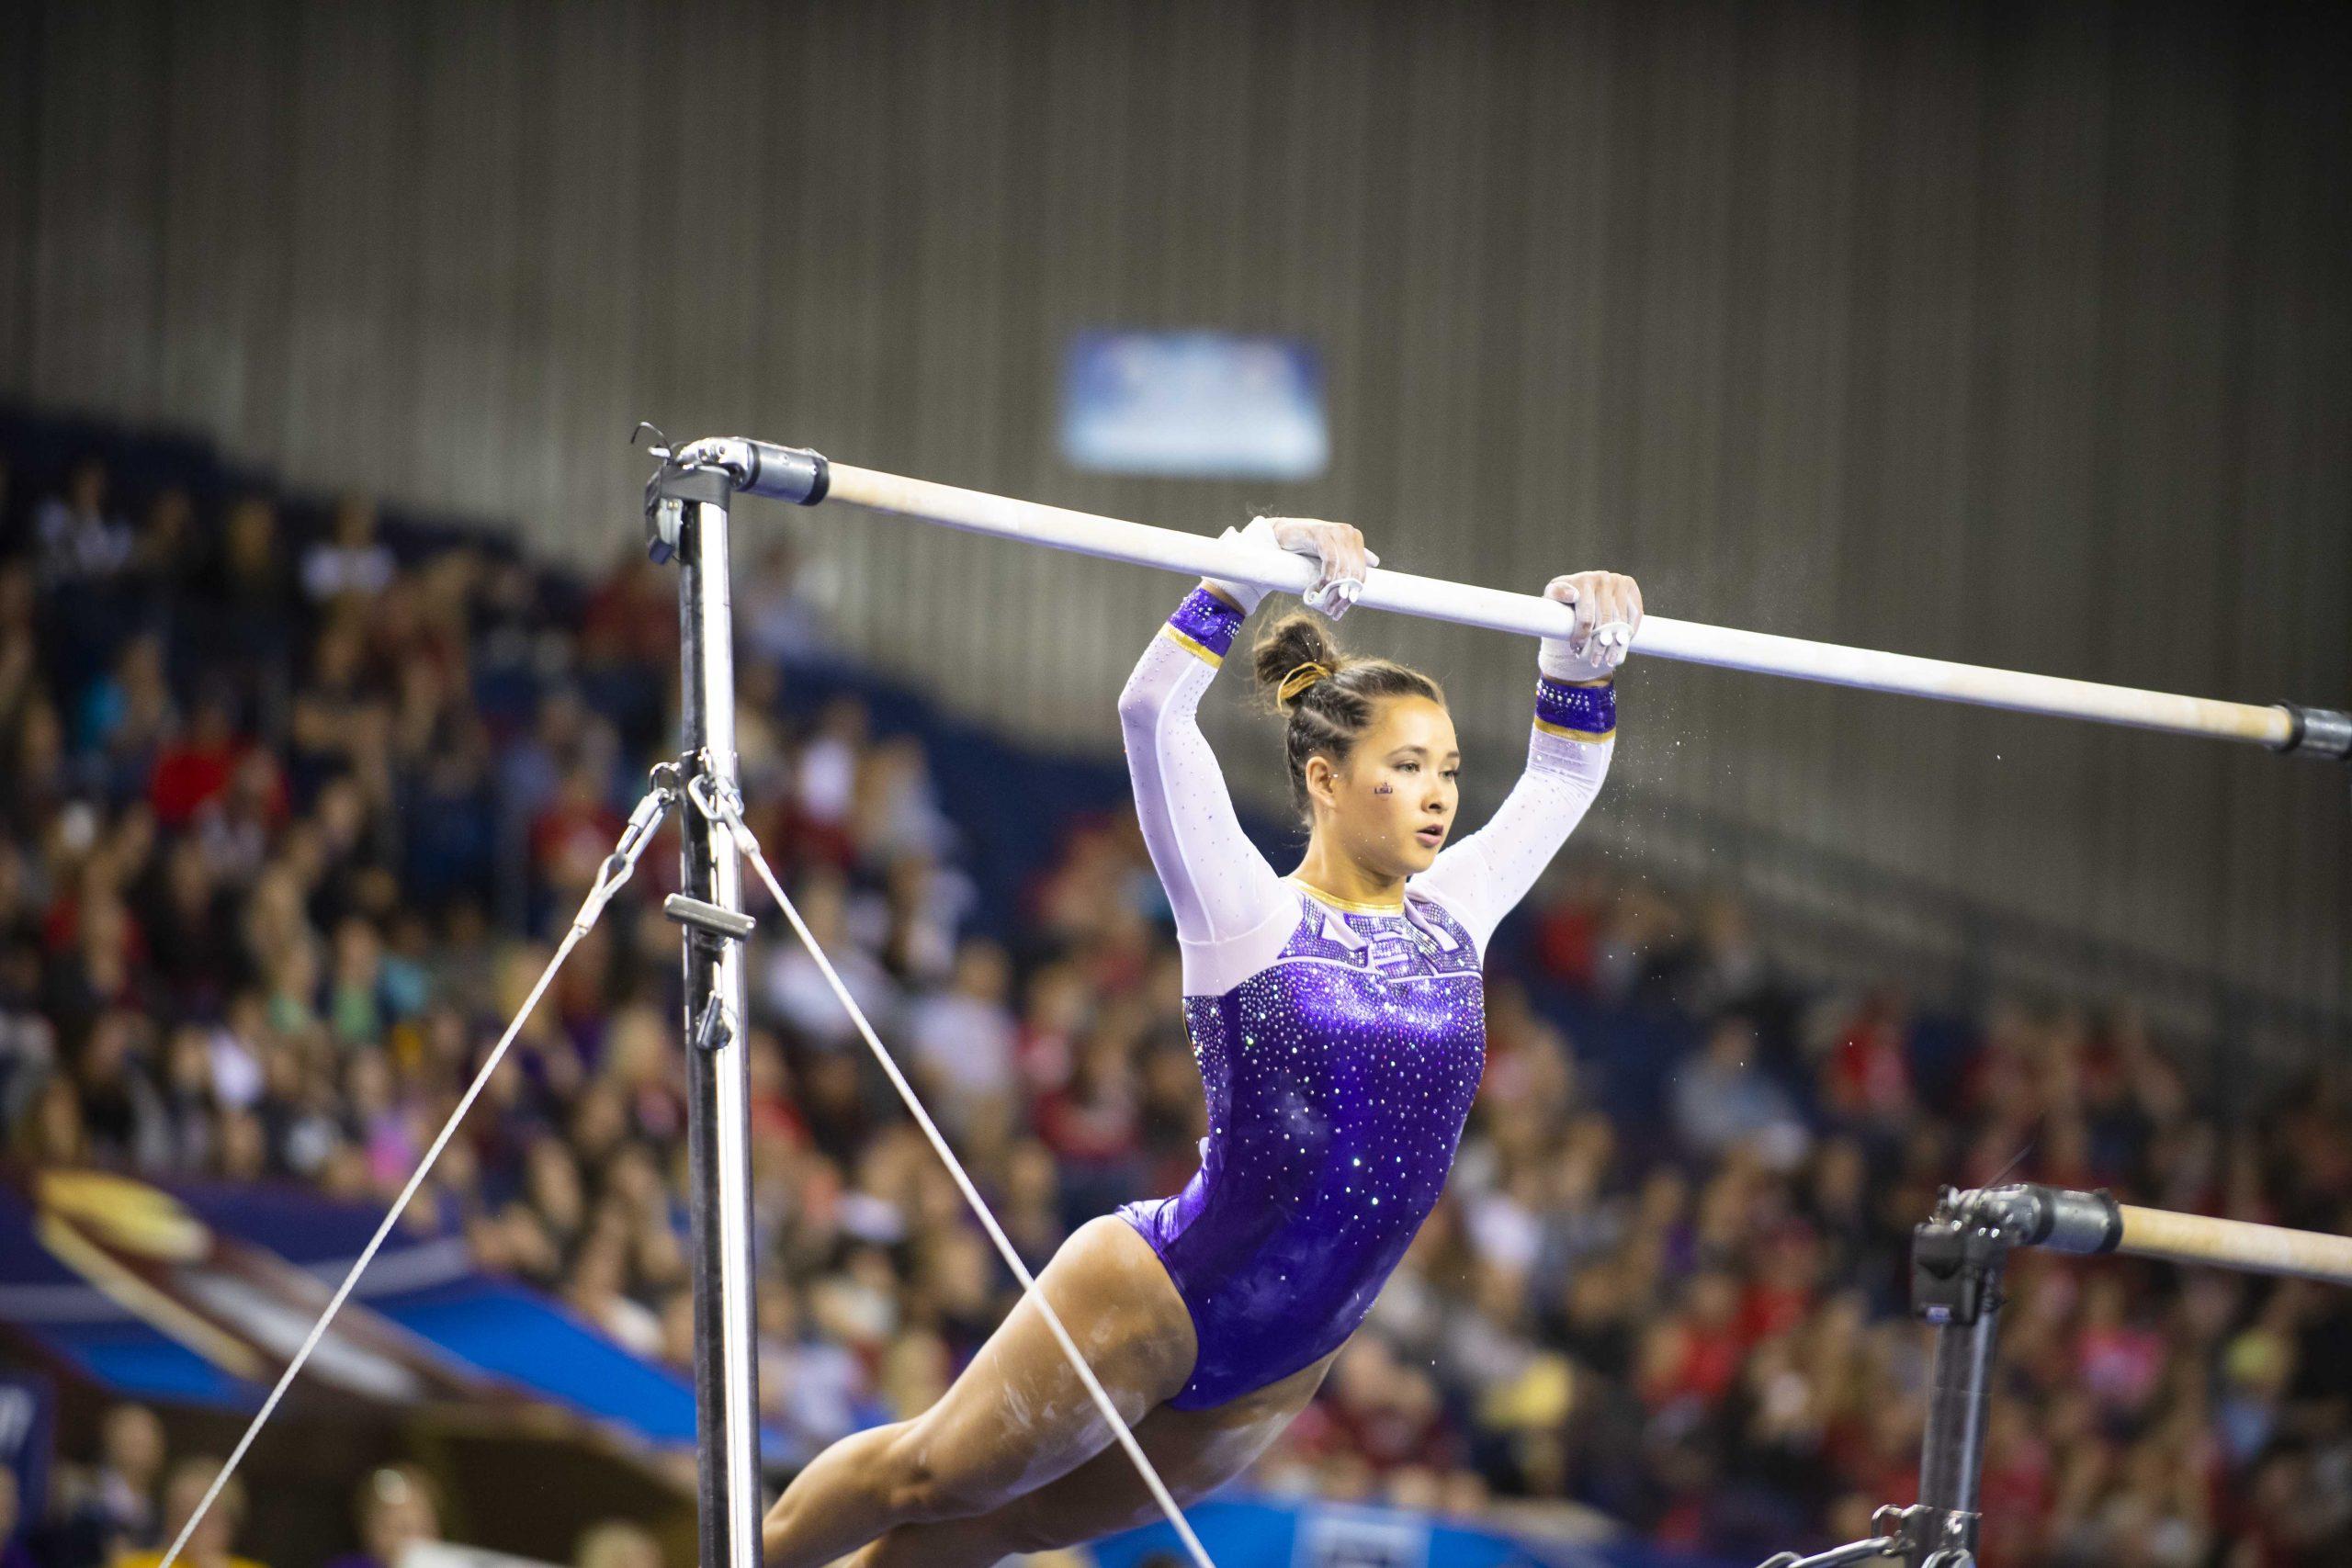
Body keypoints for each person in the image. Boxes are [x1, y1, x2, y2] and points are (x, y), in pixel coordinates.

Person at [760, 515, 1640, 1567]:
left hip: (1289, 1355)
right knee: (928, 1476)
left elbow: (1560, 779)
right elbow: (1150, 712)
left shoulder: (1460, 911)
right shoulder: (1248, 916)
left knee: (1009, 1529)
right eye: (1406, 767)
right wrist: (1238, 571)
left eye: (1447, 768)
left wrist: (1577, 653)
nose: (1441, 795)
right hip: (1161, 1295)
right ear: (1324, 778)